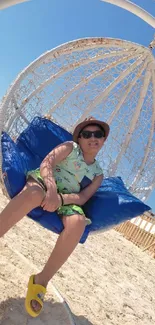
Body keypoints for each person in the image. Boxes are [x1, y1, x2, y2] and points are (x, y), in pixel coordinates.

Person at [0, 116, 110, 317]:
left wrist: (59, 199)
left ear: (104, 140)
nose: (92, 138)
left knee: (77, 222)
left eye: (98, 134)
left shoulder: (98, 174)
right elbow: (48, 162)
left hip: (66, 198)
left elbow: (84, 196)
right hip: (45, 181)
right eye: (87, 134)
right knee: (34, 194)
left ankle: (41, 280)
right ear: (79, 138)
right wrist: (50, 188)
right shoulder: (70, 147)